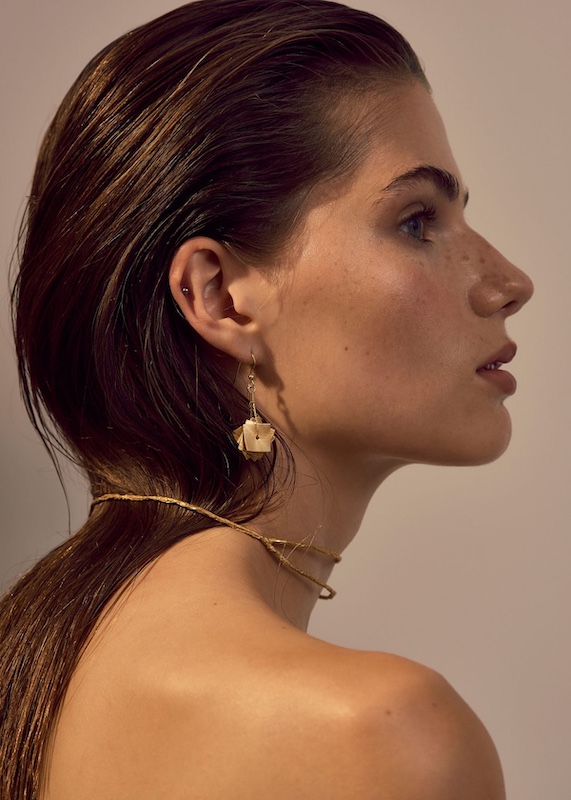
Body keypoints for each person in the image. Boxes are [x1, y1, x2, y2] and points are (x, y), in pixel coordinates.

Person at [0, 0, 533, 797]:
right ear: (218, 297)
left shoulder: (34, 662)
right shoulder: (379, 736)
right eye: (416, 221)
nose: (508, 284)